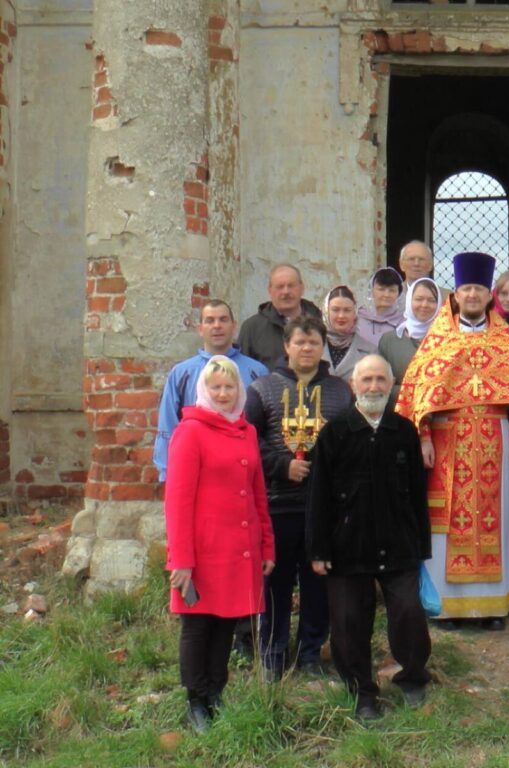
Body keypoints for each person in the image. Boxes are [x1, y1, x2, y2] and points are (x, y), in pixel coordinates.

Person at [396, 252, 509, 630]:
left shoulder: (506, 341)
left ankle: (493, 605)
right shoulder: (438, 341)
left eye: (478, 288)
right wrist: (423, 438)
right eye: (466, 289)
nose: (472, 295)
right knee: (446, 524)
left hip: (494, 436)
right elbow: (420, 395)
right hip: (448, 440)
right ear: (456, 295)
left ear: (489, 295)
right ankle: (446, 606)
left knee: (496, 520)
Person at [307, 355, 431, 721]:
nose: (374, 386)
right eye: (367, 380)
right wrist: (318, 549)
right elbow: (318, 496)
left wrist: (421, 545)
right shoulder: (335, 433)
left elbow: (417, 492)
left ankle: (412, 677)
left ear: (391, 385)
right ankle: (362, 691)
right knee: (348, 622)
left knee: (409, 612)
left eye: (380, 379)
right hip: (347, 546)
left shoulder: (404, 431)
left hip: (398, 544)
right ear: (353, 385)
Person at [164, 356, 275, 732]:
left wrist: (267, 546)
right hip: (201, 552)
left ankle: (216, 693)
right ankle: (195, 701)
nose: (223, 394)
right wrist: (181, 560)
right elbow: (177, 502)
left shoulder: (246, 431)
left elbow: (257, 494)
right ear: (204, 389)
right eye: (216, 387)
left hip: (238, 550)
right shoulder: (190, 431)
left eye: (229, 386)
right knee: (198, 626)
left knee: (227, 624)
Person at [245, 316, 353, 680]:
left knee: (317, 581)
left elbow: (349, 442)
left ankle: (310, 652)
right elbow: (248, 439)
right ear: (286, 346)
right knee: (275, 582)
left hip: (323, 507)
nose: (306, 349)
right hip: (277, 503)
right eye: (300, 342)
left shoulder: (340, 391)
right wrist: (281, 465)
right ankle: (273, 654)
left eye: (313, 343)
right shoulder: (262, 389)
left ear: (322, 347)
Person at [155, 299, 267, 482]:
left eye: (223, 319)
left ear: (234, 326)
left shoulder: (257, 372)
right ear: (200, 328)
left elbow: (268, 426)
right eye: (210, 320)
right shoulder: (182, 373)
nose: (217, 326)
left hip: (245, 472)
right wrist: (167, 474)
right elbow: (168, 426)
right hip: (197, 472)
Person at [239, 263, 322, 368]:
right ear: (270, 291)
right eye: (280, 287)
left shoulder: (320, 323)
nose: (286, 292)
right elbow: (243, 370)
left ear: (302, 288)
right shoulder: (252, 328)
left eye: (291, 285)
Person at [378, 277, 442, 402]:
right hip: (398, 410)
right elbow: (381, 385)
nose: (424, 305)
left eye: (431, 300)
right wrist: (417, 393)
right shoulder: (389, 341)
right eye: (419, 299)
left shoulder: (447, 339)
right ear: (409, 301)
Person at [321, 285, 376, 382]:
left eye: (347, 310)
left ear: (355, 313)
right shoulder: (312, 345)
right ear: (326, 311)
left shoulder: (370, 351)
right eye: (335, 310)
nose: (341, 316)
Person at [357, 267, 405, 346]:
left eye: (392, 290)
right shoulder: (358, 318)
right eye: (381, 289)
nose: (386, 295)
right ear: (371, 290)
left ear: (399, 294)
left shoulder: (404, 322)